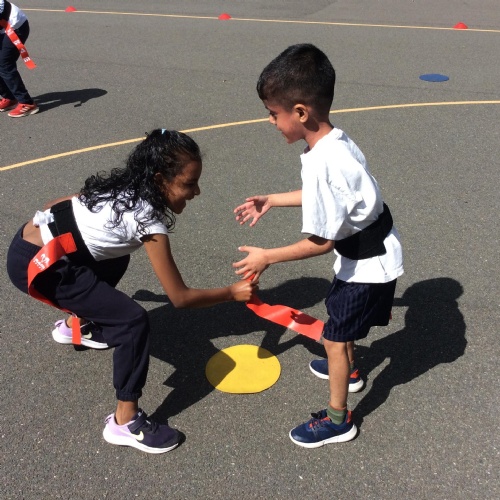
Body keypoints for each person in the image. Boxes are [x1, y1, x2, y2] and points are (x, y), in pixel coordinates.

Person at [6, 129, 257, 454]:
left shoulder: (125, 187)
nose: (196, 191)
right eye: (189, 183)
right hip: (37, 266)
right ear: (159, 179)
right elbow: (180, 298)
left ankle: (76, 326)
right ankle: (124, 422)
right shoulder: (146, 220)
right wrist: (232, 293)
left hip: (30, 244)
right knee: (131, 321)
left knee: (116, 256)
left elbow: (54, 205)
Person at [233, 44, 403, 448]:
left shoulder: (325, 162)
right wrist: (273, 199)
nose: (271, 121)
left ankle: (338, 419)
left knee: (334, 337)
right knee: (340, 322)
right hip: (368, 252)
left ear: (300, 112)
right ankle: (350, 369)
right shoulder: (333, 143)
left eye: (273, 113)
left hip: (367, 264)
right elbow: (325, 197)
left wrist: (267, 256)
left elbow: (321, 243)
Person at [0, 1, 38, 117]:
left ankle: (27, 103)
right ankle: (9, 97)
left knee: (4, 64)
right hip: (2, 28)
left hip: (15, 26)